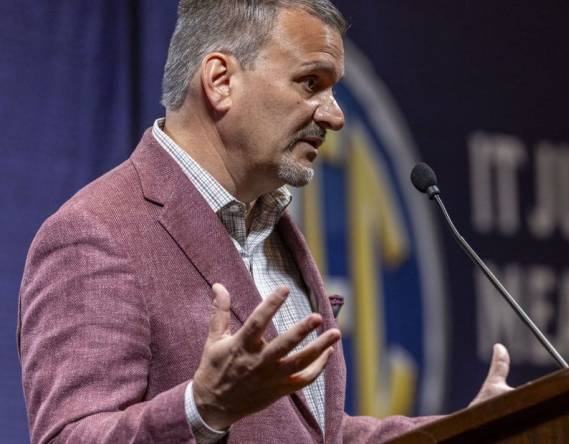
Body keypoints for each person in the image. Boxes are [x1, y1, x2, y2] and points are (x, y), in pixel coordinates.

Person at [18, 1, 513, 442]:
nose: (335, 116)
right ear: (220, 80)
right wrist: (200, 409)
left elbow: (320, 435)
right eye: (310, 83)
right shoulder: (96, 233)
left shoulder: (272, 232)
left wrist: (466, 431)